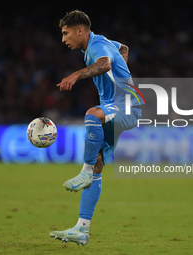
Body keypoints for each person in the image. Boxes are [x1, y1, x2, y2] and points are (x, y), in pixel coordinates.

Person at [50, 10, 143, 245]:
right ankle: (82, 228)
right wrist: (123, 76)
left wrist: (75, 75)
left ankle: (84, 171)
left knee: (93, 115)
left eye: (65, 33)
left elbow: (105, 63)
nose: (63, 39)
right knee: (99, 165)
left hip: (127, 105)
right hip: (119, 104)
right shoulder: (102, 41)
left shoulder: (95, 48)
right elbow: (124, 49)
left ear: (80, 30)